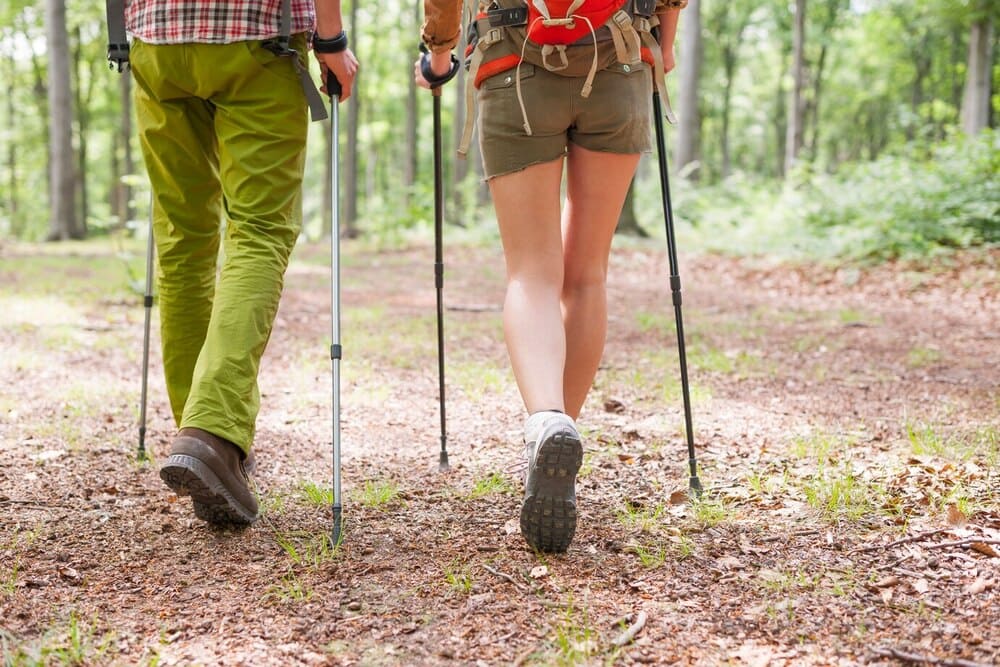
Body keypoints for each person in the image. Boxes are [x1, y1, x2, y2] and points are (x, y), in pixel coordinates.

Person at [416, 0, 686, 552]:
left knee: (531, 274)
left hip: (512, 63)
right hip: (620, 55)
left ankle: (547, 423)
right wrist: (668, 42)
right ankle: (561, 434)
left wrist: (439, 52)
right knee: (587, 273)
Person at [127, 0, 358, 525]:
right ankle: (211, 432)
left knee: (183, 240)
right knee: (259, 230)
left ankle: (201, 429)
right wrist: (331, 39)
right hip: (257, 38)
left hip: (155, 41)